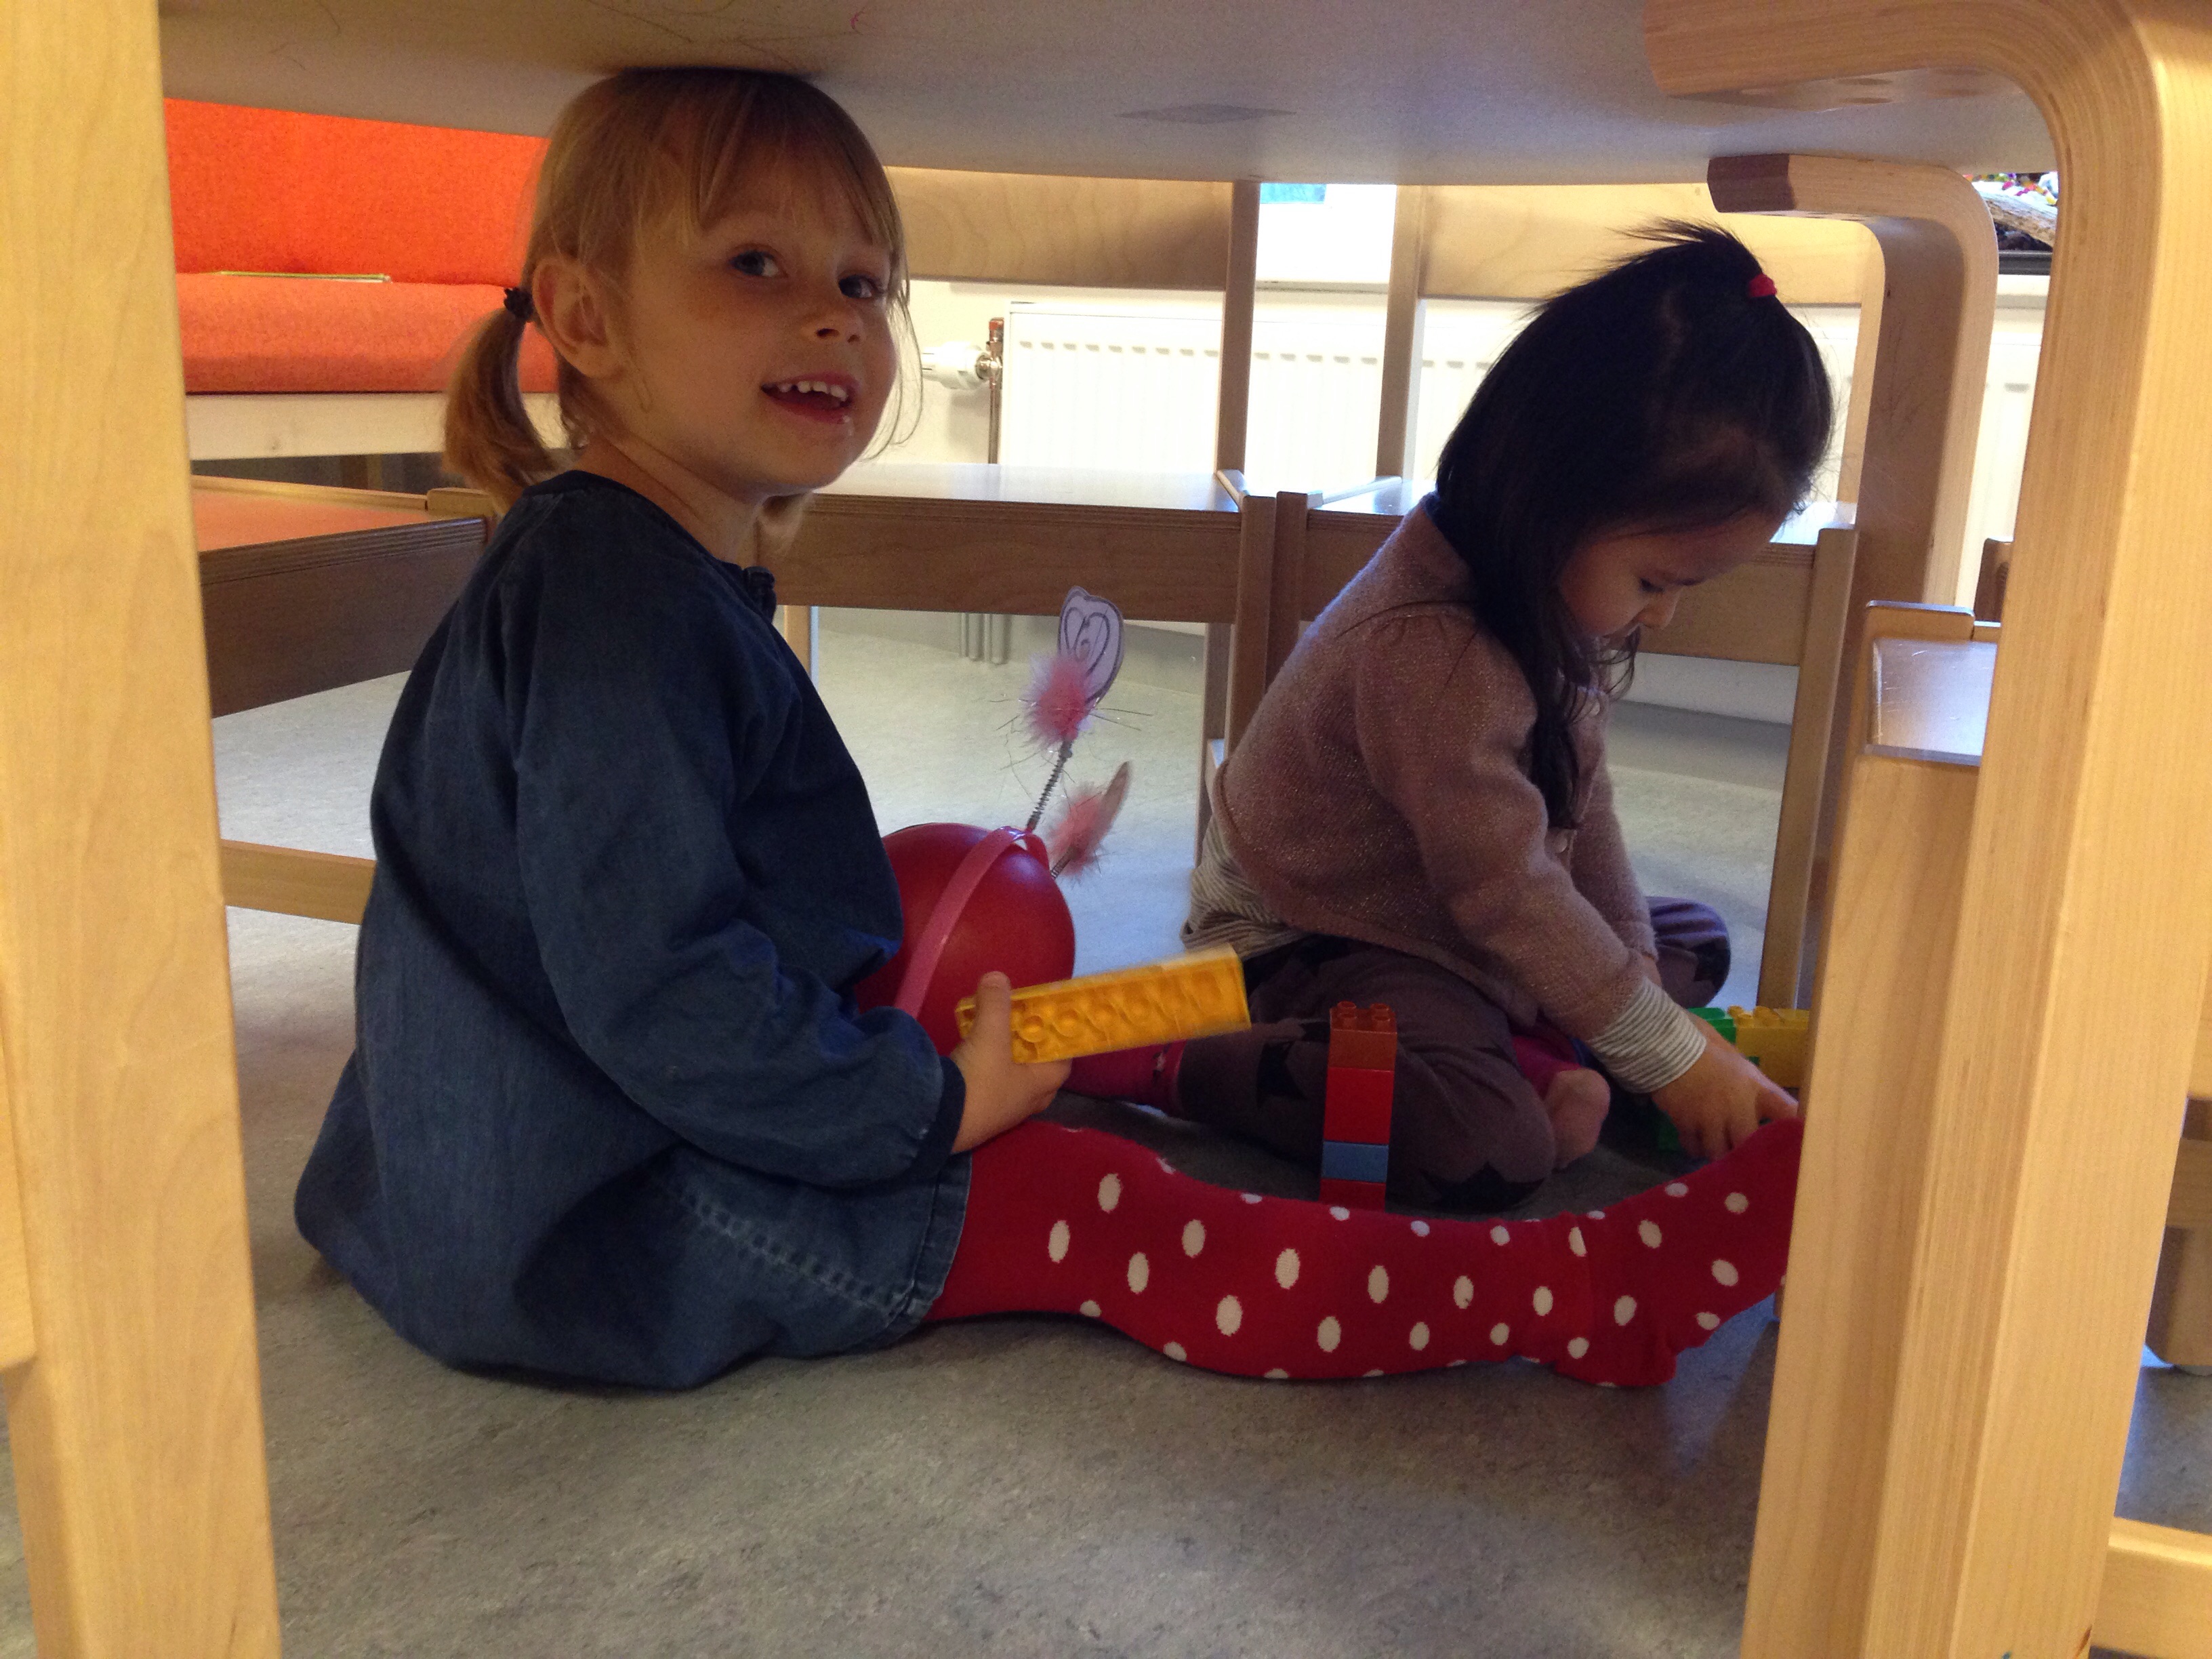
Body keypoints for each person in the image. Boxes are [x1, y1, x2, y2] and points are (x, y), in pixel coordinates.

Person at [295, 70, 1802, 1395]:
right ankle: (1575, 1296)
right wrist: (926, 1105)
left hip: (578, 1154)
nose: (834, 314)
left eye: (867, 282)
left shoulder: (625, 573)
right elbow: (668, 991)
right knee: (1098, 1207)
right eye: (755, 264)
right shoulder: (614, 604)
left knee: (1018, 1030)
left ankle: (1185, 1045)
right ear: (584, 318)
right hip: (598, 1220)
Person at [1078, 224, 1826, 1216]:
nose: (1664, 616)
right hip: (1303, 936)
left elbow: (1583, 807)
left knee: (1689, 944)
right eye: (1655, 581)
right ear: (1553, 497)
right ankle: (1179, 1057)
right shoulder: (1431, 655)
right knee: (1484, 1145)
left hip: (1431, 907)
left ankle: (1527, 1046)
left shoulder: (1535, 589)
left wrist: (1636, 985)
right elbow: (1506, 892)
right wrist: (1660, 1048)